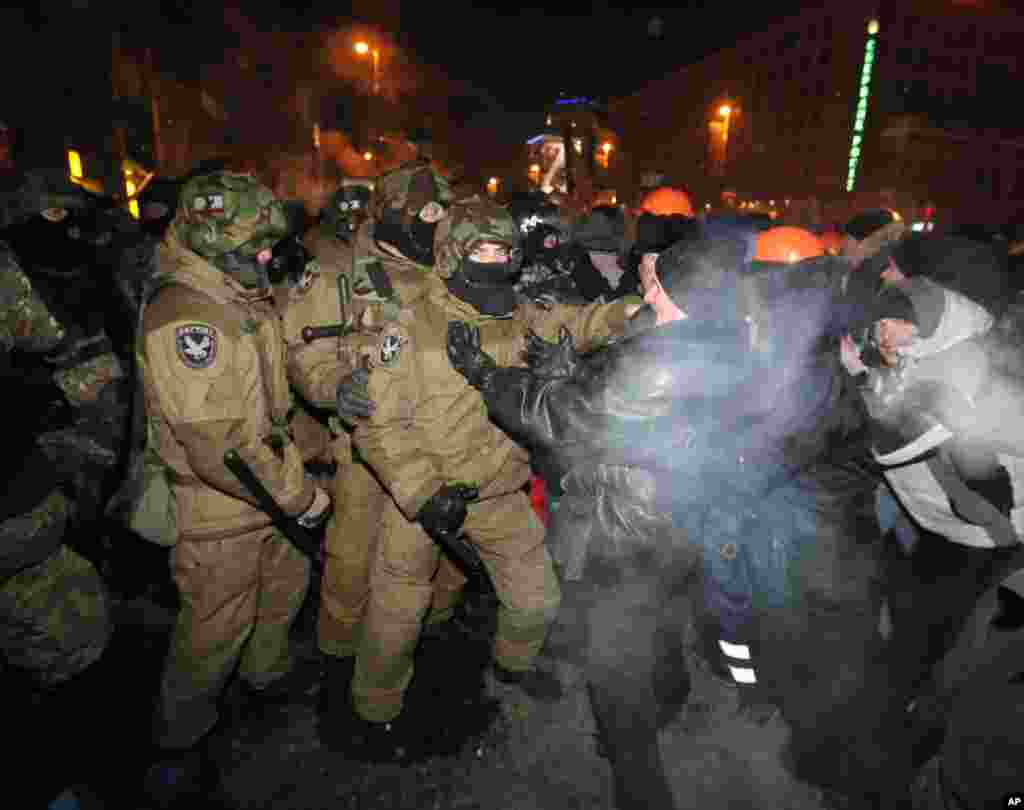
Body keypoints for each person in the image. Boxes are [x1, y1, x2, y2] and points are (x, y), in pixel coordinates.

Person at [448, 234, 756, 810]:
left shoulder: (656, 365)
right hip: (688, 518)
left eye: (660, 283)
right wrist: (574, 372)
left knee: (614, 670)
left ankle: (641, 786)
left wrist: (487, 374)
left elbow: (558, 418)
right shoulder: (728, 342)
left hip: (630, 533)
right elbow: (625, 409)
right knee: (661, 619)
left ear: (680, 293)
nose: (648, 289)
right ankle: (669, 696)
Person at [337, 194, 640, 756]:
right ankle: (372, 710)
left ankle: (510, 668)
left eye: (504, 251)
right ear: (453, 253)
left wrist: (638, 311)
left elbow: (579, 324)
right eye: (483, 250)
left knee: (536, 600)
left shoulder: (519, 313)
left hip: (499, 493)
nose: (496, 261)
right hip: (424, 498)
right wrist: (423, 492)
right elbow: (379, 425)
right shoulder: (409, 326)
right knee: (396, 616)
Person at [139, 172, 332, 802]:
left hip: (268, 490)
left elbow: (269, 398)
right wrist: (300, 498)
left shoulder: (237, 291)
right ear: (209, 240)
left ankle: (264, 679)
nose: (267, 258)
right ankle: (177, 745)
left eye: (268, 245)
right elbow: (219, 447)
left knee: (281, 592)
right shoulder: (187, 316)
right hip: (220, 505)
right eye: (253, 247)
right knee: (213, 630)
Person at [289, 163, 469, 731]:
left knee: (419, 569)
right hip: (363, 445)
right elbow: (303, 352)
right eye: (426, 214)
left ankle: (417, 649)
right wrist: (335, 387)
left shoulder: (446, 267)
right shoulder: (336, 272)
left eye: (443, 214)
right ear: (392, 215)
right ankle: (338, 656)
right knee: (351, 557)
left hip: (437, 445)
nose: (437, 226)